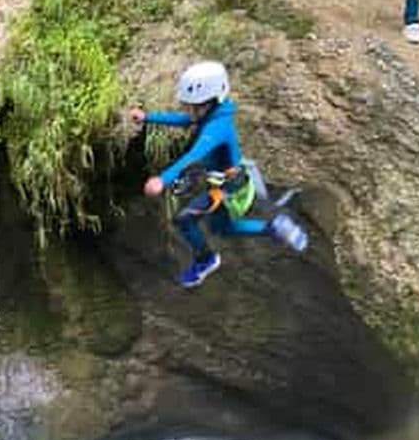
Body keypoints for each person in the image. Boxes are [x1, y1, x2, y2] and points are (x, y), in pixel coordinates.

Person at [130, 60, 307, 289]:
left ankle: (206, 260)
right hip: (228, 184)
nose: (190, 111)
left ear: (211, 101)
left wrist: (162, 179)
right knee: (220, 228)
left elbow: (194, 155)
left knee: (184, 219)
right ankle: (274, 228)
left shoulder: (216, 129)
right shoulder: (213, 116)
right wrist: (147, 117)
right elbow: (186, 120)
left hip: (228, 189)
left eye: (195, 106)